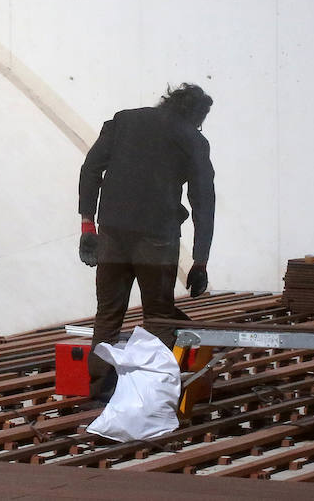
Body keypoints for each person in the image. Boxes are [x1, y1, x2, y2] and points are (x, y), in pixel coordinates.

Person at [77, 83, 215, 401]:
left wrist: (88, 225)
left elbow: (90, 169)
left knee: (108, 314)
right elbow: (203, 201)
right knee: (158, 316)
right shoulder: (193, 139)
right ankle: (151, 394)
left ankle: (98, 392)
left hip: (112, 232)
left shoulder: (124, 121)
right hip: (157, 238)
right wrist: (200, 260)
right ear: (196, 113)